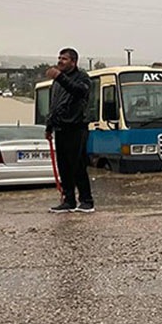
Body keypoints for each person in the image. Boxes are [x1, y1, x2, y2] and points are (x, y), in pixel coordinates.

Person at [45, 48, 95, 213]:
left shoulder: (82, 78)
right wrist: (49, 126)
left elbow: (79, 91)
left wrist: (59, 77)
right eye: (59, 58)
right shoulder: (56, 83)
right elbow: (54, 105)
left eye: (64, 59)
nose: (60, 61)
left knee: (77, 165)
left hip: (77, 127)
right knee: (64, 166)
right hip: (61, 128)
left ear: (73, 62)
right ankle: (69, 201)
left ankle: (86, 201)